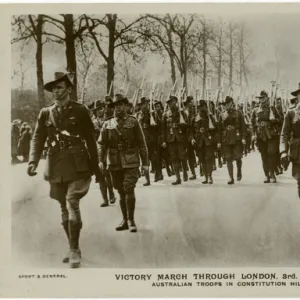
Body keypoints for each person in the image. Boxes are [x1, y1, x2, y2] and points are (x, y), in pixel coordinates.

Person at [27, 72, 99, 268]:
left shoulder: (81, 111)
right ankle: (72, 246)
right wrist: (32, 161)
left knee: (71, 201)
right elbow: (37, 137)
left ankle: (74, 250)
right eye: (53, 89)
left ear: (68, 88)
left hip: (77, 164)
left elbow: (91, 141)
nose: (55, 92)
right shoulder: (45, 113)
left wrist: (96, 167)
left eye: (59, 87)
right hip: (56, 164)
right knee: (62, 206)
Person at [98, 93, 149, 233]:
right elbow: (102, 144)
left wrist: (145, 163)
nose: (118, 108)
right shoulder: (107, 124)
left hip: (131, 160)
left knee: (128, 188)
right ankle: (125, 220)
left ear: (126, 106)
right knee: (120, 191)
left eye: (121, 105)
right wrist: (101, 160)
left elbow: (142, 144)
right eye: (115, 106)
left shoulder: (133, 122)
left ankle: (131, 220)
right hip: (114, 162)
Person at [251, 90, 281, 183]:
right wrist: (253, 134)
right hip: (260, 135)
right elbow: (251, 123)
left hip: (271, 134)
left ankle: (272, 173)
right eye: (260, 98)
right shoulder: (255, 110)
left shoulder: (272, 109)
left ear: (267, 98)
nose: (262, 100)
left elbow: (280, 120)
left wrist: (273, 120)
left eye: (263, 98)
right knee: (264, 155)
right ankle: (266, 175)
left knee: (271, 154)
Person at [91, 100, 116, 207]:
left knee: (108, 174)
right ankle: (105, 199)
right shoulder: (92, 123)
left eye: (102, 108)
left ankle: (111, 194)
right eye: (99, 109)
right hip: (97, 150)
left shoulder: (109, 121)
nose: (101, 110)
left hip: (108, 150)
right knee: (101, 176)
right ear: (95, 111)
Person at [190, 100, 219, 184]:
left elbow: (216, 130)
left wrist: (214, 140)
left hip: (208, 140)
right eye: (200, 107)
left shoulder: (210, 117)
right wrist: (192, 138)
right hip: (199, 141)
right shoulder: (195, 118)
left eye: (204, 106)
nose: (203, 108)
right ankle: (206, 177)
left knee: (209, 158)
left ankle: (210, 176)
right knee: (202, 159)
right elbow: (191, 130)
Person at [161, 95, 189, 185]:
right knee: (174, 158)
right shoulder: (165, 114)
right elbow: (163, 129)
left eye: (172, 102)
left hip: (180, 138)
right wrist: (163, 141)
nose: (170, 104)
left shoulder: (182, 112)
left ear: (175, 102)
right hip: (170, 139)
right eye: (169, 102)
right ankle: (178, 178)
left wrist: (181, 125)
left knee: (182, 157)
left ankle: (185, 171)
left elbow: (187, 125)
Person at [219, 96, 246, 184]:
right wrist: (219, 141)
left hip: (236, 138)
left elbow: (243, 127)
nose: (227, 105)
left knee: (238, 157)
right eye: (225, 104)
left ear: (232, 103)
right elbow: (219, 129)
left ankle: (239, 171)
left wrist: (243, 138)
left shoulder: (238, 113)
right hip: (226, 138)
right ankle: (231, 177)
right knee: (228, 158)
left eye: (228, 103)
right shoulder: (222, 114)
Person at [280, 83, 300, 198]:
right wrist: (283, 151)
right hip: (298, 151)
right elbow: (284, 134)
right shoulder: (291, 112)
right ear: (297, 96)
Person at [184, 96, 197, 180]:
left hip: (196, 134)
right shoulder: (184, 112)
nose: (192, 104)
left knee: (199, 153)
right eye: (190, 102)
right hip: (186, 136)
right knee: (189, 154)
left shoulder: (195, 111)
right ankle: (192, 173)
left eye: (192, 102)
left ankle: (203, 170)